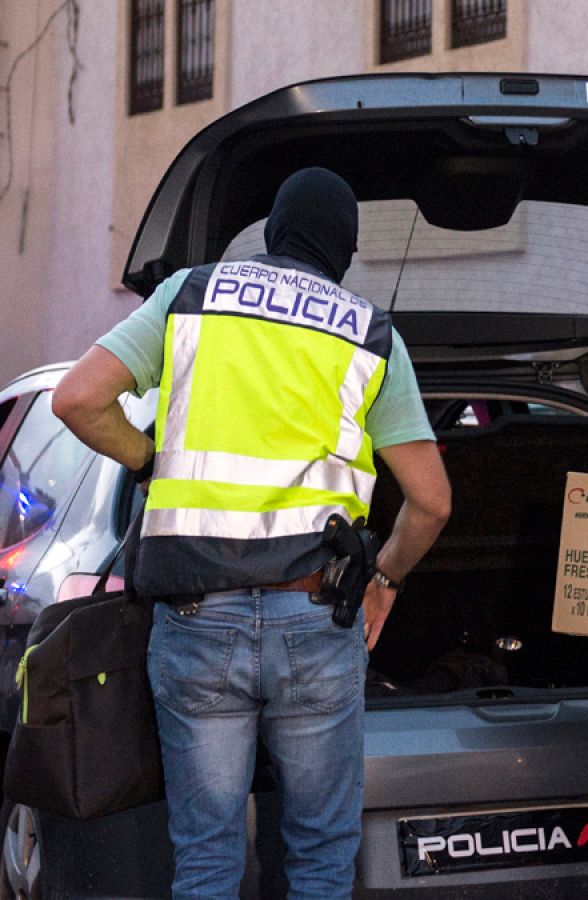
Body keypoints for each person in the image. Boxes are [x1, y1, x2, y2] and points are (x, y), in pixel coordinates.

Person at [52, 168, 451, 898]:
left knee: (206, 860)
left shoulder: (193, 295)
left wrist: (150, 461)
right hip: (315, 618)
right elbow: (430, 503)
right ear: (345, 251)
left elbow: (77, 398)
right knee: (321, 859)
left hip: (197, 623)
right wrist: (385, 582)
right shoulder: (368, 333)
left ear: (272, 233)